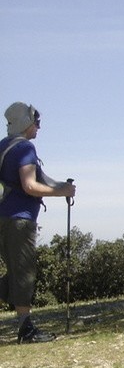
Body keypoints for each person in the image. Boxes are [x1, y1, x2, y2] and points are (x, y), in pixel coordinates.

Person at [1, 102, 77, 343]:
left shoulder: (4, 146)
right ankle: (26, 330)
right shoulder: (25, 148)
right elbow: (30, 185)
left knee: (15, 271)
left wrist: (62, 188)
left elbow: (37, 179)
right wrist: (62, 192)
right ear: (26, 122)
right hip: (19, 220)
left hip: (3, 216)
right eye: (36, 122)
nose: (38, 127)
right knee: (24, 272)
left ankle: (26, 327)